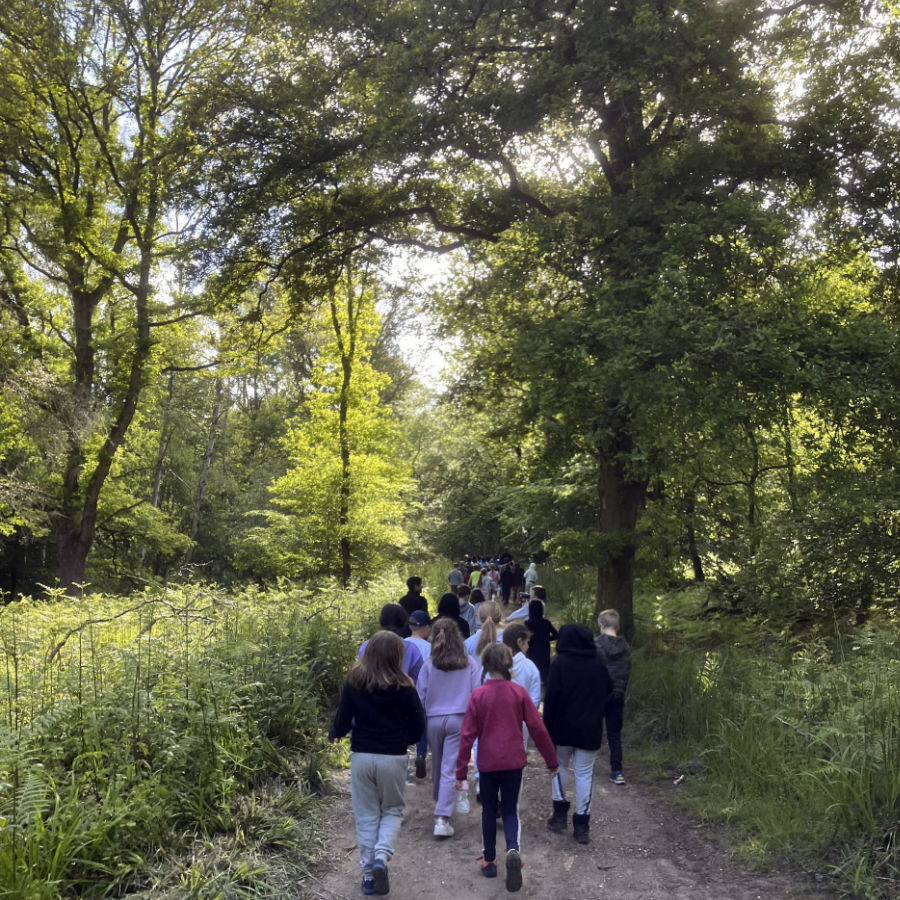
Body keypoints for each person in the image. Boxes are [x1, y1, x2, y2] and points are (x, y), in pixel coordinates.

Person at [455, 643, 559, 893]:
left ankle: (489, 861)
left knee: (489, 811)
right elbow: (538, 729)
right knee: (510, 810)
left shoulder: (478, 695)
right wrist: (551, 761)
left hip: (488, 763)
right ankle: (512, 849)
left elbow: (467, 736)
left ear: (486, 666)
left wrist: (460, 772)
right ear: (509, 664)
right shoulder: (519, 693)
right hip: (513, 762)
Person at [329, 630, 426, 896]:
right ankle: (382, 857)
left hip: (362, 755)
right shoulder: (405, 686)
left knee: (366, 814)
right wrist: (403, 739)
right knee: (392, 810)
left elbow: (343, 717)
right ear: (397, 656)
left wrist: (334, 734)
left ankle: (369, 875)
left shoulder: (355, 681)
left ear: (369, 652)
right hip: (392, 757)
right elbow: (419, 725)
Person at [542, 624, 612, 844]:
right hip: (589, 729)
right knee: (584, 774)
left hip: (561, 728)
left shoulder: (560, 664)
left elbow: (550, 699)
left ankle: (560, 814)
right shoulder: (598, 665)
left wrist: (546, 727)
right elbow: (610, 693)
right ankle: (582, 825)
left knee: (559, 767)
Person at [416, 619, 482, 838]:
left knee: (438, 763)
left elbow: (420, 695)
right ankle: (442, 817)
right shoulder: (469, 663)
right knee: (450, 767)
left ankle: (441, 806)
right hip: (459, 719)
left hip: (433, 720)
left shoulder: (429, 664)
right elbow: (476, 694)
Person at [594, 608, 632, 785]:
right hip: (618, 693)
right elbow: (627, 671)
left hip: (599, 693)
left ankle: (587, 762)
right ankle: (617, 771)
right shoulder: (625, 647)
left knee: (593, 727)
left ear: (601, 625)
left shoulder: (596, 644)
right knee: (614, 733)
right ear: (617, 626)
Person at [358, 604, 424, 683]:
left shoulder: (366, 646)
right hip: (401, 693)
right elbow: (418, 681)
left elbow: (360, 675)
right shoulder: (412, 649)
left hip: (368, 692)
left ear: (381, 621)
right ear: (403, 623)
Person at [502, 622, 541, 743]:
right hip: (521, 720)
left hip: (494, 718)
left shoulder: (492, 664)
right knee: (517, 755)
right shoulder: (530, 667)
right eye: (527, 642)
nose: (528, 646)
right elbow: (535, 699)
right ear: (520, 642)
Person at [408, 609, 432, 779]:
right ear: (426, 628)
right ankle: (421, 754)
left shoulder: (402, 643)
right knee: (423, 723)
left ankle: (401, 755)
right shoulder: (429, 647)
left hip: (405, 690)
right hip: (423, 690)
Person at [524, 595, 558, 683]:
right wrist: (547, 638)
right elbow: (557, 635)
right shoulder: (546, 623)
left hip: (531, 650)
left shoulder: (527, 624)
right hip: (544, 650)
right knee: (545, 674)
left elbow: (524, 637)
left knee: (530, 673)